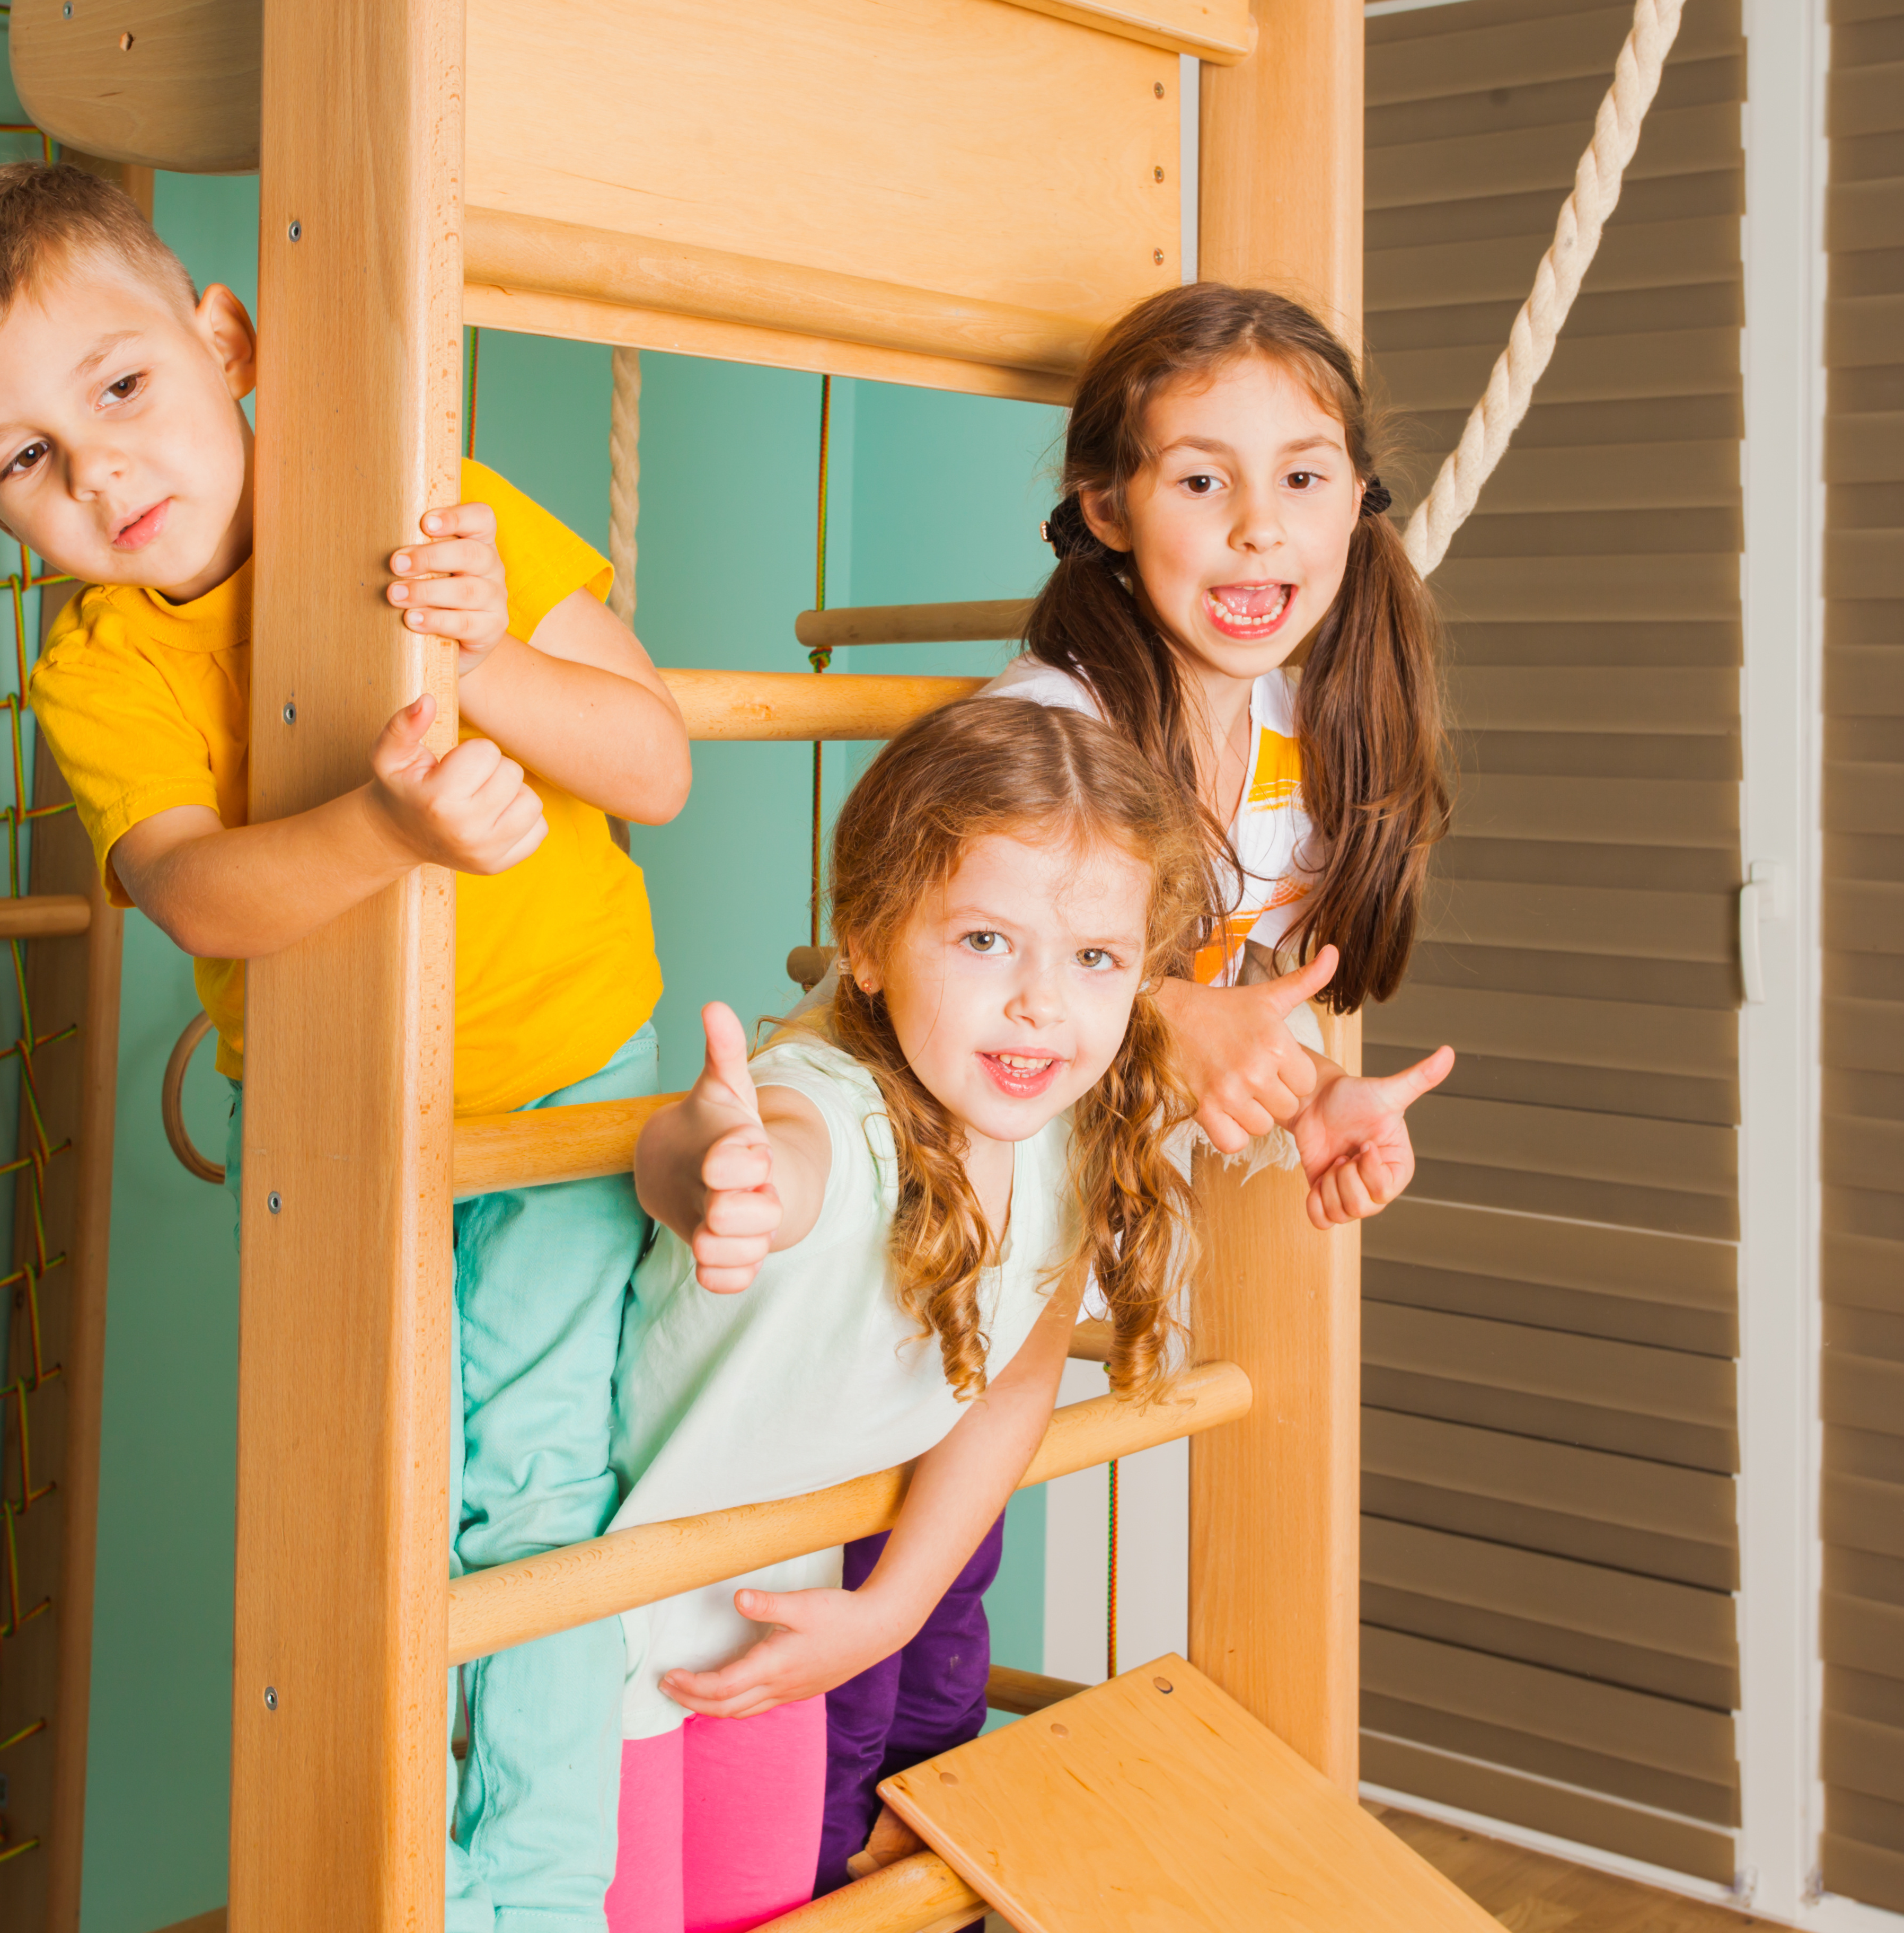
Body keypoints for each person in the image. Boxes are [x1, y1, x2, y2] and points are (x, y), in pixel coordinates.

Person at [0, 161, 691, 1932]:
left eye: (120, 389)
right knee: (358, 1503)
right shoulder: (98, 667)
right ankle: (392, 1866)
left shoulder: (433, 514)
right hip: (333, 1114)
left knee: (532, 1489)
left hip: (551, 1087)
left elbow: (654, 763)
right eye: (24, 459)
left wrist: (486, 662)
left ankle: (533, 1892)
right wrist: (390, 833)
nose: (98, 473)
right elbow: (198, 895)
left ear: (224, 341)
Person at [815, 281, 1460, 1893]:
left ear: (1359, 503)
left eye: (1303, 477)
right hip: (885, 1244)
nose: (1257, 532)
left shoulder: (1305, 746)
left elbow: (1222, 1014)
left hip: (1013, 1265)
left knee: (934, 1682)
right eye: (1199, 480)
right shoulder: (1054, 728)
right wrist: (1180, 1014)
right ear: (1105, 506)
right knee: (843, 1671)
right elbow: (1006, 981)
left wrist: (1307, 1094)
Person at [607, 700, 1244, 1931]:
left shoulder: (1058, 1141)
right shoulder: (831, 1109)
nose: (1039, 1005)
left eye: (1094, 959)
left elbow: (1013, 1380)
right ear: (866, 937)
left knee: (764, 1909)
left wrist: (887, 1610)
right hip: (609, 1624)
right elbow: (744, 1151)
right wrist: (715, 1175)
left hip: (769, 1620)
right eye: (985, 940)